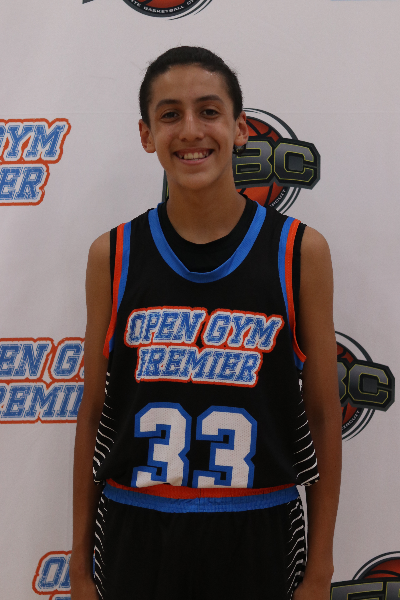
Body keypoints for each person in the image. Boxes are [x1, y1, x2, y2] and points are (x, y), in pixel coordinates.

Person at [70, 46, 342, 600]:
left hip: (261, 530)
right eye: (170, 114)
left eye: (209, 111)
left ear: (239, 128)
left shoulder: (298, 252)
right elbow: (94, 414)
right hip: (135, 530)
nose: (191, 130)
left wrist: (320, 569)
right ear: (146, 134)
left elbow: (321, 414)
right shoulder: (114, 255)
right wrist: (78, 564)